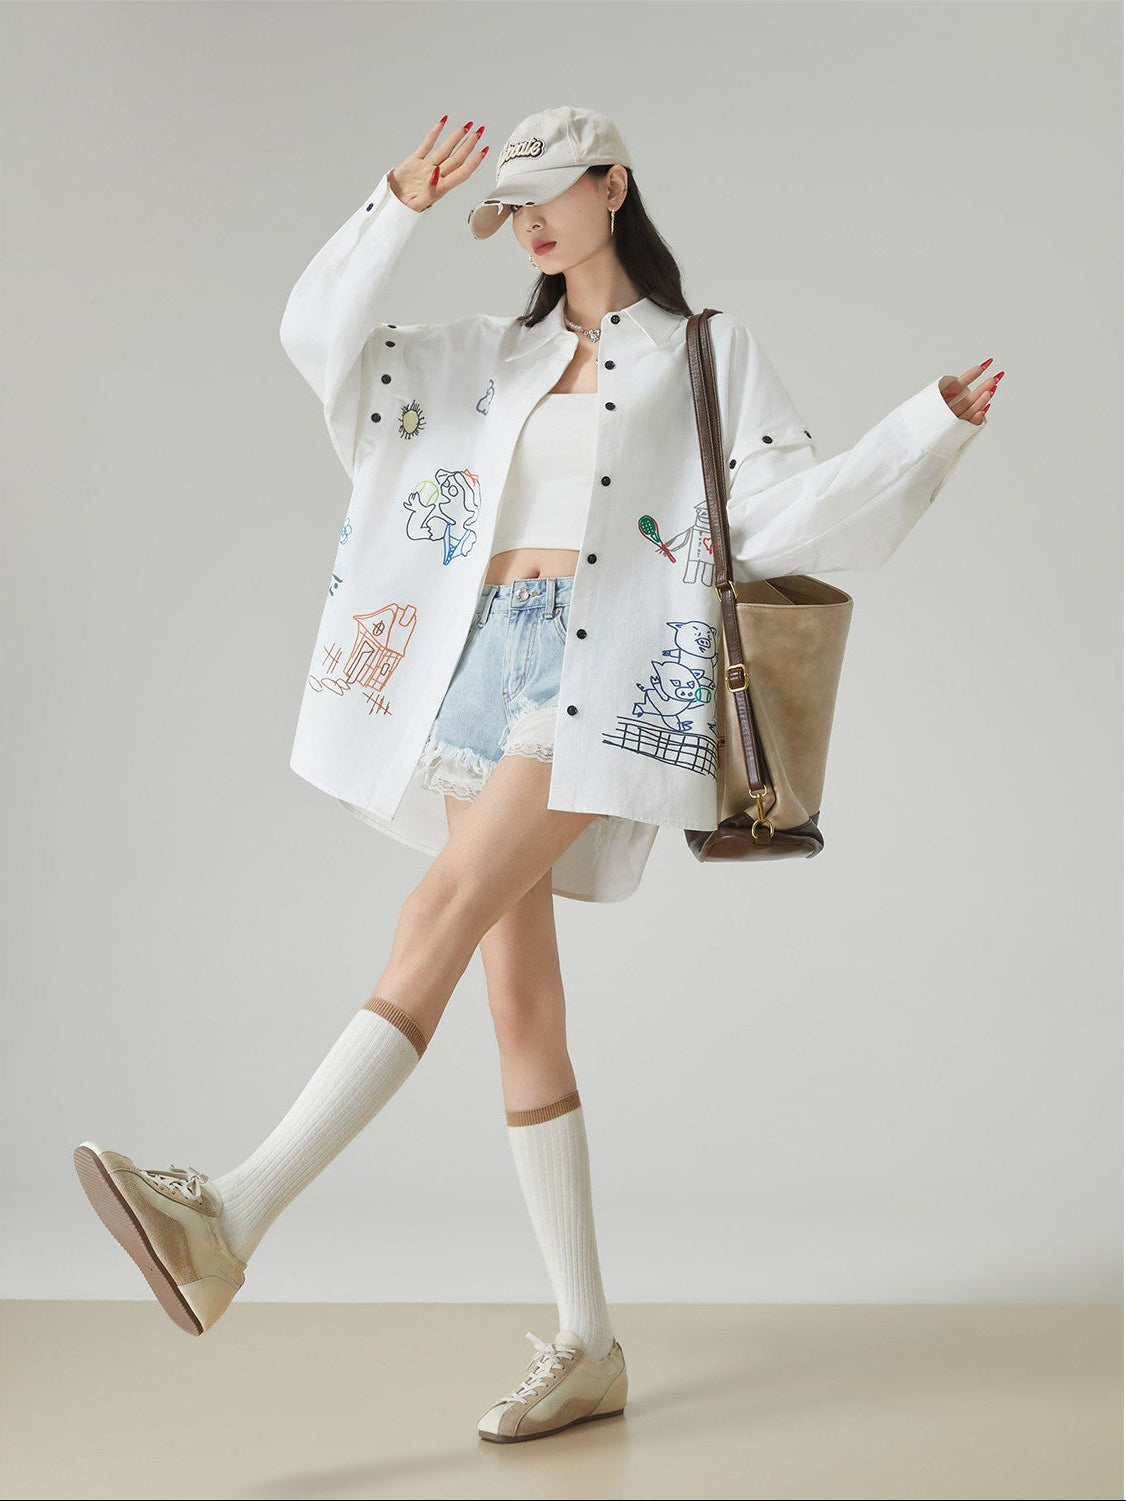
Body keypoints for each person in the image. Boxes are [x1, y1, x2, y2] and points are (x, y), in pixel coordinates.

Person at [74, 105, 1002, 1446]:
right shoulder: (480, 361)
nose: (528, 223)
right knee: (519, 1006)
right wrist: (391, 205)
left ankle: (229, 1212)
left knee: (431, 914)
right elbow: (315, 344)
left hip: (606, 670)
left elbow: (784, 516)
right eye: (508, 209)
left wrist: (927, 427)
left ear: (613, 184)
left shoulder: (702, 353)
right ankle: (589, 1342)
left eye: (549, 193)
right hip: (476, 671)